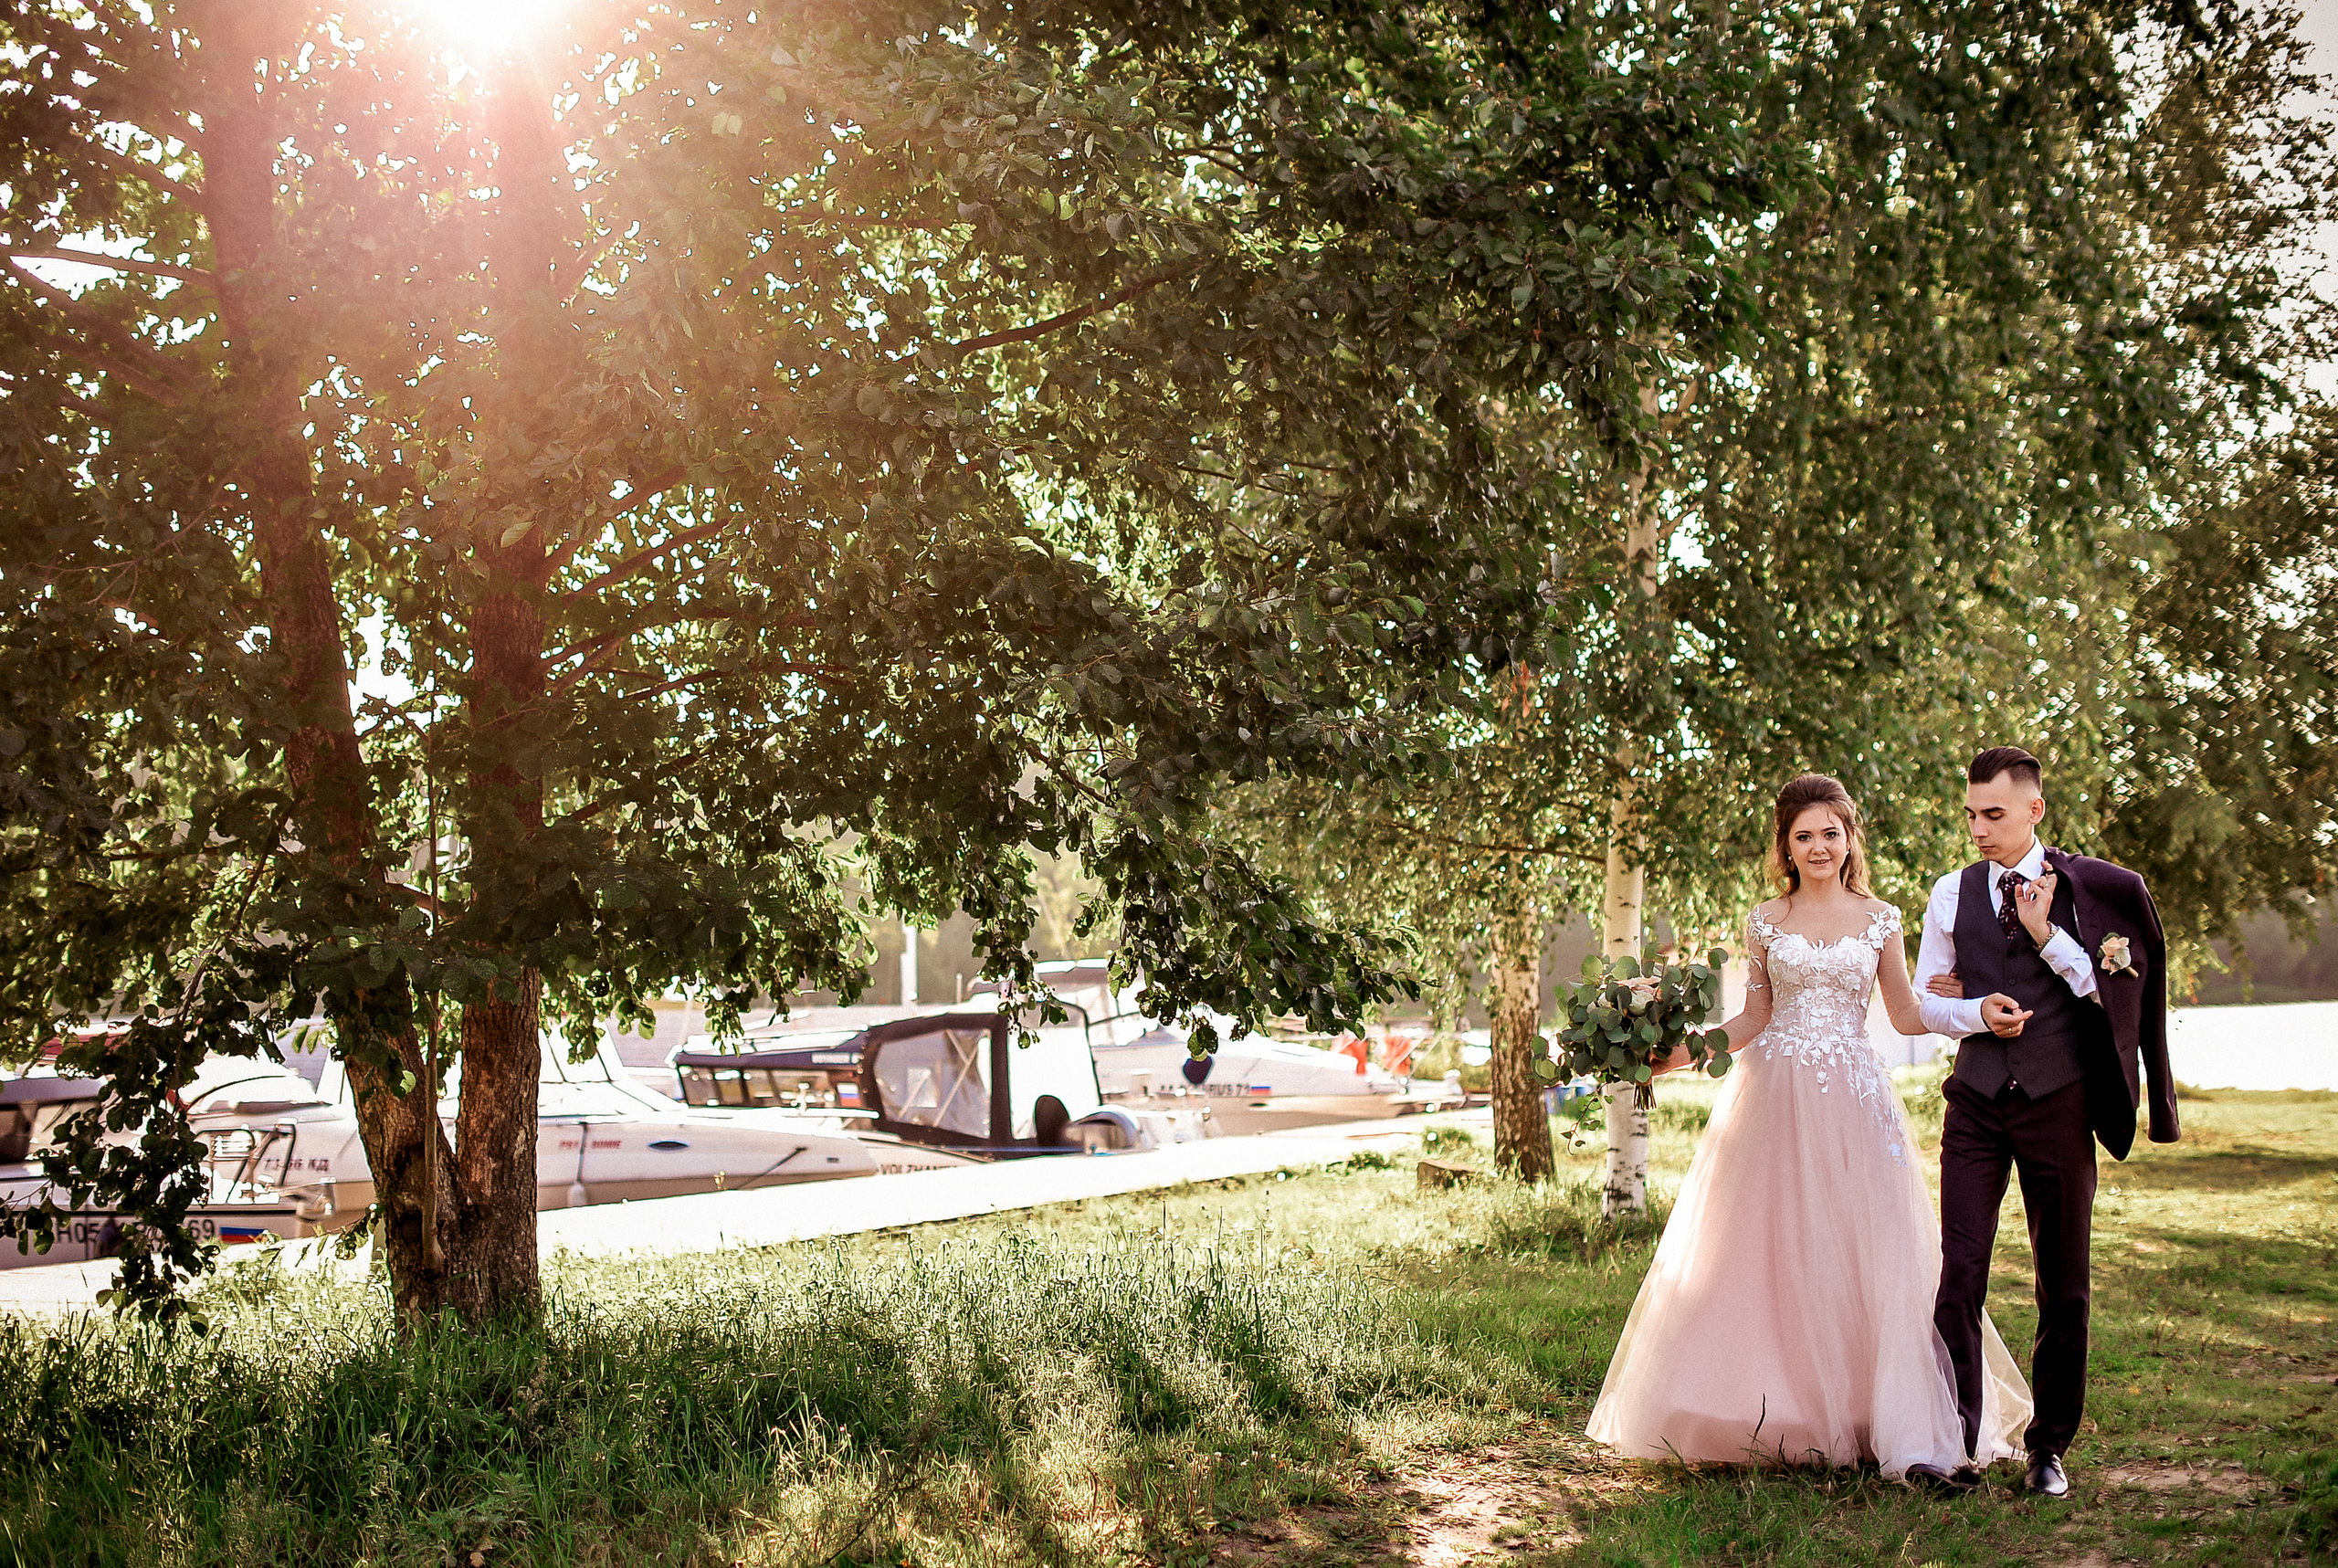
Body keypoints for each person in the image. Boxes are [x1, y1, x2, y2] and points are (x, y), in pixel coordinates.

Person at [1588, 773, 2030, 1487]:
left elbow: (1908, 1013)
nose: (1819, 846)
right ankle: (1775, 1407)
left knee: (1873, 1249)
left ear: (1850, 837)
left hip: (1854, 1096)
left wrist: (1978, 1010)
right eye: (1804, 835)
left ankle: (1892, 1421)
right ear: (1785, 846)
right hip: (1775, 1093)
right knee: (1771, 1247)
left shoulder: (1881, 918)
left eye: (1831, 832)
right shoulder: (1765, 920)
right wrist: (1679, 1054)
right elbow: (1753, 1018)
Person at [1914, 746, 2180, 1499]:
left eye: (1993, 814)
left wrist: (2044, 935)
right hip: (1973, 1102)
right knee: (1959, 1274)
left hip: (2058, 1102)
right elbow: (1926, 1003)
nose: (1978, 829)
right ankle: (1961, 1437)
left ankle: (2048, 1447)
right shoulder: (1949, 893)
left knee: (2063, 1280)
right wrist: (1974, 1012)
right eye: (1970, 814)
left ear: (2034, 809)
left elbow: (2112, 994)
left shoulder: (2086, 893)